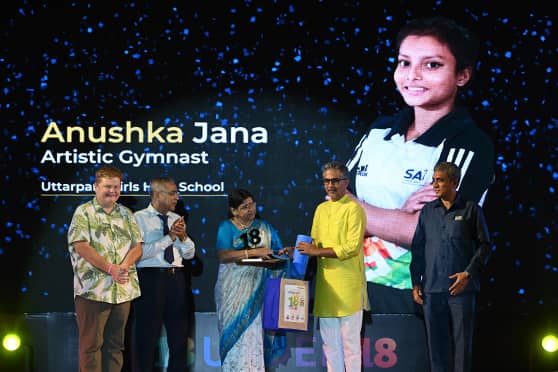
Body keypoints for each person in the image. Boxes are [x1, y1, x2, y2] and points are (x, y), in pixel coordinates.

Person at [346, 16, 495, 313]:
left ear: (462, 75)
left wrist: (357, 210)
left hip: (415, 301)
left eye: (432, 65)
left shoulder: (469, 144)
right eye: (404, 62)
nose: (412, 75)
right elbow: (331, 209)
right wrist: (401, 215)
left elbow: (433, 234)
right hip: (349, 289)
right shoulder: (379, 131)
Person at [410, 161, 491, 372]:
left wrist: (468, 274)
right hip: (431, 289)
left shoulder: (471, 209)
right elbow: (418, 248)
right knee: (436, 348)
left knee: (462, 347)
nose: (435, 185)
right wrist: (415, 282)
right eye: (434, 180)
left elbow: (485, 246)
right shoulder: (427, 212)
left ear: (454, 182)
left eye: (440, 180)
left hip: (461, 290)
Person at [67, 165, 143, 372]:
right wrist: (111, 269)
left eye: (116, 187)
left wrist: (124, 267)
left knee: (115, 346)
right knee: (91, 346)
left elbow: (138, 247)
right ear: (96, 187)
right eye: (108, 186)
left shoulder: (126, 214)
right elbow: (81, 246)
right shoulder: (84, 212)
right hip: (93, 291)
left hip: (123, 291)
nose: (113, 191)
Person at [296, 161, 368, 372]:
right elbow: (314, 244)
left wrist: (315, 251)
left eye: (335, 180)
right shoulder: (321, 209)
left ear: (346, 182)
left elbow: (350, 248)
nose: (330, 185)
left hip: (348, 288)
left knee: (351, 346)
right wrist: (297, 251)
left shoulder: (354, 209)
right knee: (330, 346)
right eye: (327, 181)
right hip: (326, 288)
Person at [214, 188, 289, 371]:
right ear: (234, 210)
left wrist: (284, 253)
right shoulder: (226, 227)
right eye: (244, 207)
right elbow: (223, 256)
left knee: (255, 336)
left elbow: (278, 252)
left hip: (257, 290)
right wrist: (254, 253)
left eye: (252, 204)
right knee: (235, 336)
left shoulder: (265, 228)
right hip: (232, 290)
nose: (250, 209)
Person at [131, 177, 196, 372]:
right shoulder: (138, 218)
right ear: (158, 194)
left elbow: (190, 253)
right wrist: (170, 238)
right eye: (172, 193)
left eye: (177, 193)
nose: (177, 197)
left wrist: (183, 237)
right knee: (147, 336)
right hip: (151, 278)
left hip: (176, 278)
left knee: (179, 337)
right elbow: (140, 254)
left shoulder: (176, 218)